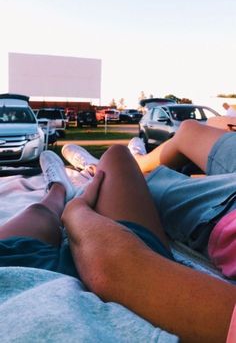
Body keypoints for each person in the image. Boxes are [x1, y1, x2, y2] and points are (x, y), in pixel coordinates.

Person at [0, 143, 235, 342]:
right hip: (128, 270)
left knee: (39, 211)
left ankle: (60, 187)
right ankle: (75, 181)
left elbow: (115, 272)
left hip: (16, 277)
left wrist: (76, 212)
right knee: (116, 156)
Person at [62, 120, 236, 279]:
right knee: (189, 131)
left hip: (227, 212)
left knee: (118, 166)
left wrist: (77, 214)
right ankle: (138, 160)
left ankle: (94, 172)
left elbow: (123, 271)